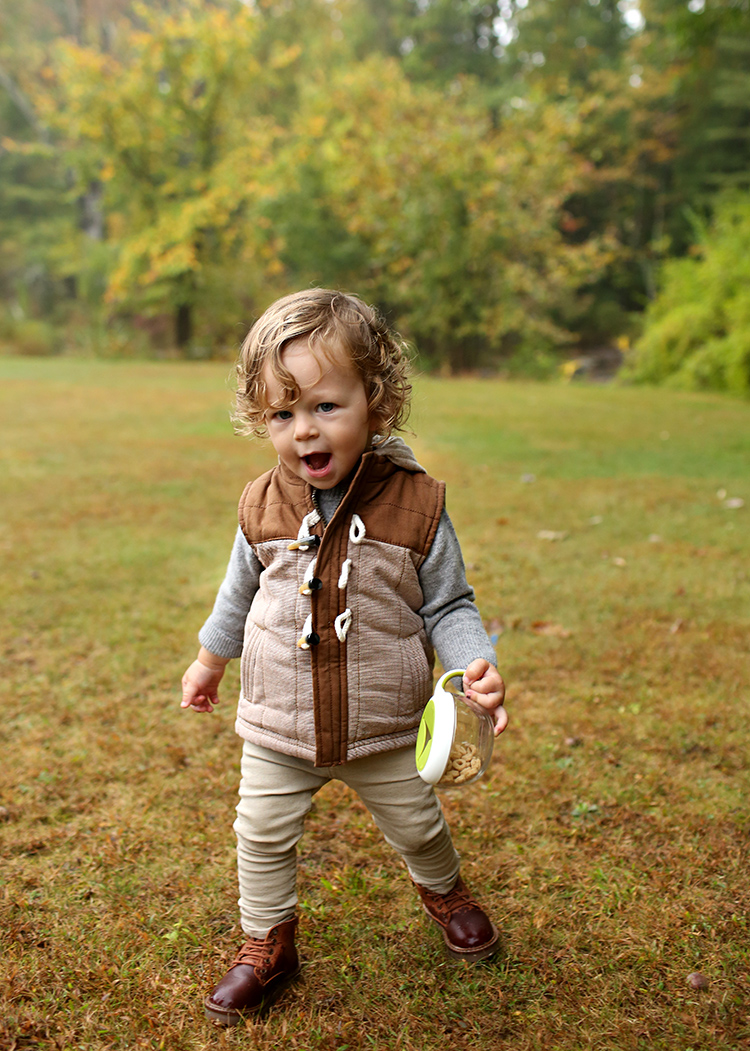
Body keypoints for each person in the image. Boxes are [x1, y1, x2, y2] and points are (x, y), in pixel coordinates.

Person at [180, 288, 508, 1026]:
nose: (303, 431)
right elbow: (237, 595)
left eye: (325, 406)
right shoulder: (261, 502)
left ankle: (446, 891)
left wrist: (474, 662)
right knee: (258, 834)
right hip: (279, 722)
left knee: (419, 822)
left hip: (381, 722)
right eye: (282, 413)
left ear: (377, 402)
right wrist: (208, 660)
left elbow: (449, 604)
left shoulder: (417, 505)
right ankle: (268, 941)